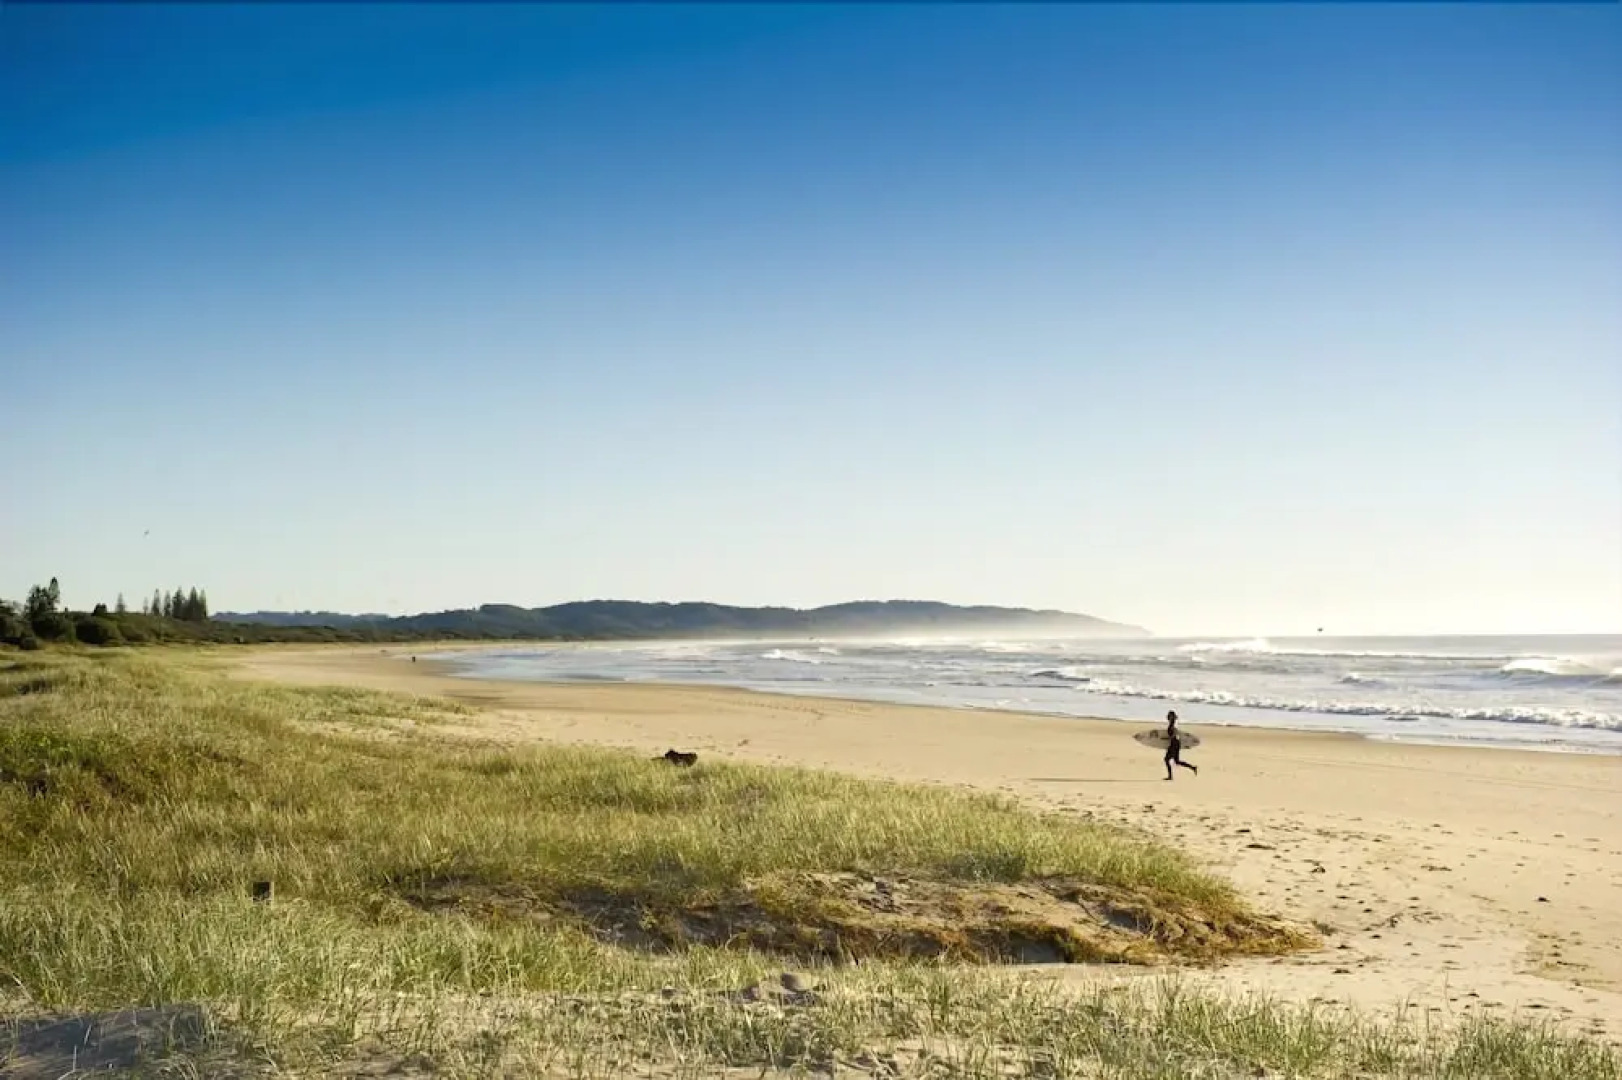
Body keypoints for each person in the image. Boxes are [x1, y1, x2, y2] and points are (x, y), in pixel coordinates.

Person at [1164, 709, 1197, 780]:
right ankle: (1193, 767)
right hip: (1176, 743)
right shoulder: (1173, 724)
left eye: (1170, 716)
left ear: (1172, 717)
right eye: (1169, 716)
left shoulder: (1172, 725)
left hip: (1174, 744)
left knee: (1166, 759)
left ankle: (1170, 776)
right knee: (1177, 761)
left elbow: (1174, 734)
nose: (1168, 717)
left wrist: (1169, 740)